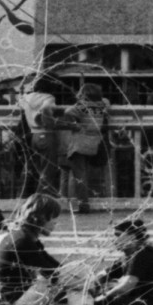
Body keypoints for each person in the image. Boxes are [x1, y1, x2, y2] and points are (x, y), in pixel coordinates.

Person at [59, 82, 108, 213]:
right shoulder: (102, 105)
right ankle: (85, 202)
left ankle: (83, 204)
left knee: (79, 175)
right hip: (94, 143)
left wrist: (76, 124)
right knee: (87, 173)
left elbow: (67, 112)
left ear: (84, 94)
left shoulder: (80, 106)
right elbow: (106, 101)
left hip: (79, 143)